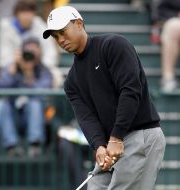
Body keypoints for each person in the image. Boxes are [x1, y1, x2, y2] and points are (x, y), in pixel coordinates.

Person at [43, 6, 166, 190]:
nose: (61, 40)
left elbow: (131, 91)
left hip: (140, 135)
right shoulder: (71, 81)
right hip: (111, 145)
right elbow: (86, 117)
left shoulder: (113, 45)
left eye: (62, 32)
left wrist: (116, 137)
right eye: (55, 36)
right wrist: (99, 146)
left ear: (79, 23)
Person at [0, 37, 53, 158]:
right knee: (0, 105)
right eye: (28, 51)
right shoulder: (12, 67)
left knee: (35, 103)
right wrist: (12, 72)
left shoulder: (43, 70)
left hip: (33, 118)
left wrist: (29, 74)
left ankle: (34, 146)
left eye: (34, 51)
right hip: (12, 117)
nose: (30, 55)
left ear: (39, 52)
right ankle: (12, 147)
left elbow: (44, 92)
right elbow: (1, 87)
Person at [0, 0, 62, 88]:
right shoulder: (5, 26)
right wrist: (19, 64)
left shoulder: (39, 24)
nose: (26, 16)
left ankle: (48, 101)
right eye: (23, 12)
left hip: (37, 69)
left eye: (29, 12)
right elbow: (3, 59)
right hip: (15, 68)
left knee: (56, 75)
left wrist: (35, 64)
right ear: (16, 14)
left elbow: (51, 54)